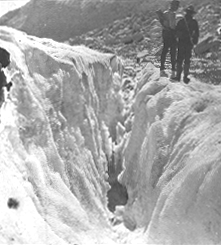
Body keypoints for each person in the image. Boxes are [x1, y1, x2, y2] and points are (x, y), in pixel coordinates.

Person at [172, 5, 199, 83]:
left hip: (181, 42)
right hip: (189, 43)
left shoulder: (181, 21)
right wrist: (194, 42)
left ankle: (178, 76)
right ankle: (185, 77)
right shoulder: (194, 22)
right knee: (187, 60)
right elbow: (196, 33)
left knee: (179, 60)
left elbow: (176, 33)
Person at [157, 0, 180, 78]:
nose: (176, 7)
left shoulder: (166, 13)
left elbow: (164, 23)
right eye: (176, 5)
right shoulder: (171, 14)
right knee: (172, 52)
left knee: (166, 50)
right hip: (170, 33)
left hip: (166, 33)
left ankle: (163, 70)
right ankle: (172, 72)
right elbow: (171, 26)